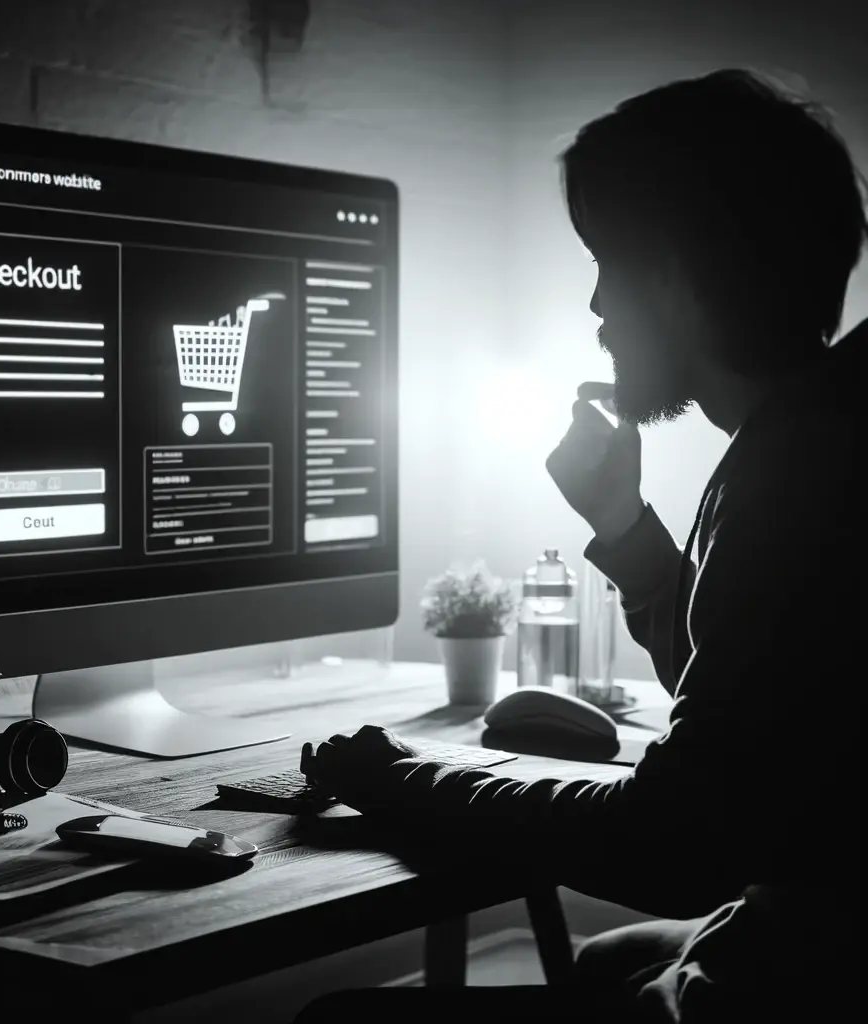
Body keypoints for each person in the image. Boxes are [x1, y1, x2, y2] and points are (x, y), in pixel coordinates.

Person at [293, 67, 868, 1024]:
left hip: (810, 978)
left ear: (679, 276)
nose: (597, 305)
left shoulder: (797, 473)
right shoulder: (827, 426)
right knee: (607, 961)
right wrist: (625, 527)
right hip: (815, 922)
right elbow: (761, 716)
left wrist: (404, 778)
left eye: (608, 262)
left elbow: (674, 841)